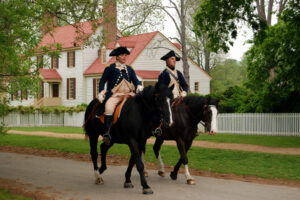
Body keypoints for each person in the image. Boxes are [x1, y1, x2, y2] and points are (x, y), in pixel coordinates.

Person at [97, 46, 143, 145]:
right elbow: (102, 81)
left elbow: (135, 80)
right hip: (115, 95)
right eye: (122, 55)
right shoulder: (110, 68)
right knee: (109, 108)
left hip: (129, 94)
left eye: (125, 55)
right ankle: (107, 133)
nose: (124, 57)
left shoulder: (130, 68)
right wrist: (101, 92)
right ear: (117, 57)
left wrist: (139, 85)